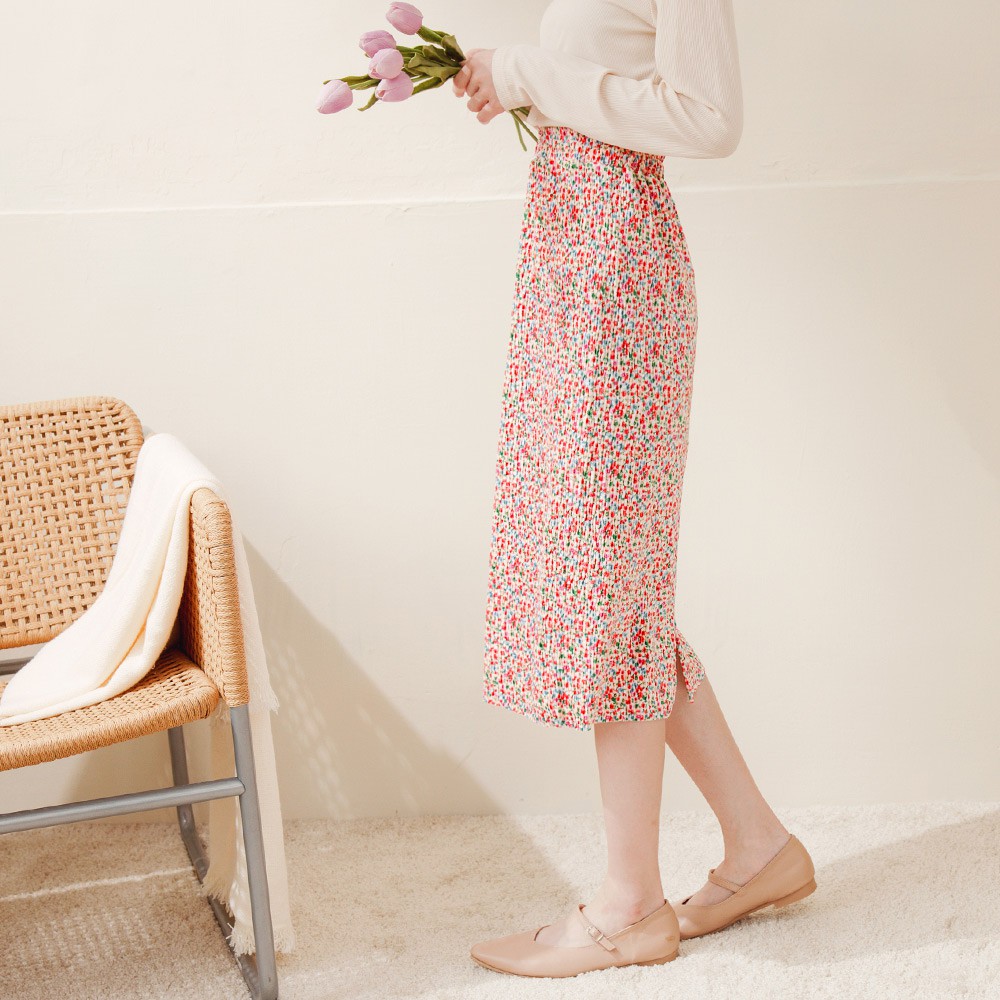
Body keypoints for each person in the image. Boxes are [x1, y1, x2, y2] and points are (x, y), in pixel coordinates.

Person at [453, 0, 816, 979]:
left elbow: (708, 116)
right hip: (575, 261)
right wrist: (516, 79)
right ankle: (758, 848)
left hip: (616, 275)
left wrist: (526, 72)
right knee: (617, 593)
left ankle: (629, 906)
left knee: (611, 596)